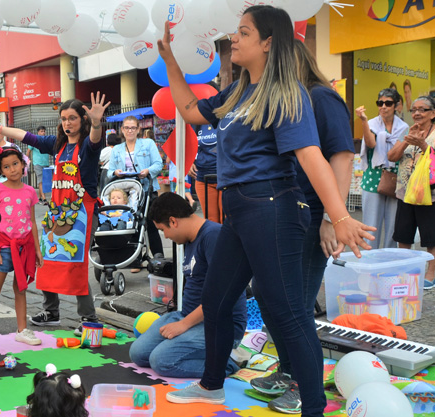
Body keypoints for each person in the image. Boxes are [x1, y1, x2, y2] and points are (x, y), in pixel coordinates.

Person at [157, 7, 374, 415]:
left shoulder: (286, 93)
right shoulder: (238, 91)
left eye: (243, 32)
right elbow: (188, 110)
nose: (233, 39)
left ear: (268, 43)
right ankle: (211, 385)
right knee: (218, 300)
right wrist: (169, 59)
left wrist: (338, 217)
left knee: (287, 314)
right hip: (240, 210)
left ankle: (313, 407)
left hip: (273, 208)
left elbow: (313, 157)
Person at [249, 40, 356, 414]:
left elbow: (342, 159)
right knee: (266, 292)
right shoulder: (289, 99)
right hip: (286, 215)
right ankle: (291, 369)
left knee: (295, 306)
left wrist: (332, 217)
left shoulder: (320, 97)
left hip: (312, 217)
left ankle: (304, 384)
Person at [0, 92, 109, 335]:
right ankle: (51, 311)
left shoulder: (90, 146)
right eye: (63, 119)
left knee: (76, 265)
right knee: (47, 261)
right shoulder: (57, 144)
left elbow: (95, 138)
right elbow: (24, 136)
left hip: (82, 213)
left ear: (82, 119)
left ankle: (88, 318)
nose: (67, 123)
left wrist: (96, 122)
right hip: (57, 212)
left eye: (72, 118)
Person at [131, 193, 246, 378]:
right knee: (138, 353)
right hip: (189, 317)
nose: (166, 236)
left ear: (173, 221)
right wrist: (182, 322)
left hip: (220, 325)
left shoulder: (214, 236)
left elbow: (223, 294)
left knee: (161, 361)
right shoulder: (190, 239)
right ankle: (204, 353)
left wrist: (183, 325)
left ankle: (228, 364)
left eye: (163, 230)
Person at [388, 96, 435, 290]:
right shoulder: (406, 131)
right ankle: (406, 271)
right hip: (406, 191)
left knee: (432, 234)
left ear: (433, 113)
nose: (416, 113)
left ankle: (430, 274)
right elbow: (391, 156)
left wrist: (423, 144)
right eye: (414, 109)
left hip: (430, 192)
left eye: (422, 109)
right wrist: (406, 141)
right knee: (403, 233)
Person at [0, 147, 43, 345]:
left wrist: (37, 249)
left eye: (15, 164)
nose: (12, 169)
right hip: (3, 246)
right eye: (7, 167)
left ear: (23, 163)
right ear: (1, 171)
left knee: (21, 289)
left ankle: (22, 329)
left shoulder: (30, 192)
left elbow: (32, 222)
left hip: (25, 247)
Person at [107, 115, 165, 268]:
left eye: (133, 127)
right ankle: (134, 259)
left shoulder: (147, 143)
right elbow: (109, 171)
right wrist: (116, 173)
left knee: (151, 225)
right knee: (131, 224)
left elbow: (158, 164)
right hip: (126, 193)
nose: (130, 130)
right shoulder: (117, 149)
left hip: (146, 189)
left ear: (139, 129)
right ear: (122, 130)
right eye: (127, 127)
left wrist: (147, 171)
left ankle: (160, 258)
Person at [356, 88, 408, 250]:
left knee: (393, 225)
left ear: (396, 105)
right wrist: (363, 121)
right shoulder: (371, 123)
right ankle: (369, 261)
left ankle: (389, 261)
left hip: (395, 178)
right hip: (373, 176)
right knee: (371, 223)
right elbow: (371, 144)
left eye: (388, 103)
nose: (383, 106)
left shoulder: (403, 127)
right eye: (380, 103)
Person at [191, 124, 222, 222]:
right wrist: (188, 162)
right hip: (202, 179)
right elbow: (186, 144)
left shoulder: (224, 118)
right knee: (211, 220)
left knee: (226, 219)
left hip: (225, 178)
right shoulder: (194, 123)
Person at [27, 126, 51, 204]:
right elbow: (28, 151)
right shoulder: (34, 141)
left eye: (44, 131)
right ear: (38, 132)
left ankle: (40, 198)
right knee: (41, 181)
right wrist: (27, 160)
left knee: (44, 181)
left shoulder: (47, 141)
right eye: (41, 131)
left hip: (46, 163)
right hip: (37, 163)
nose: (43, 133)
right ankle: (44, 199)